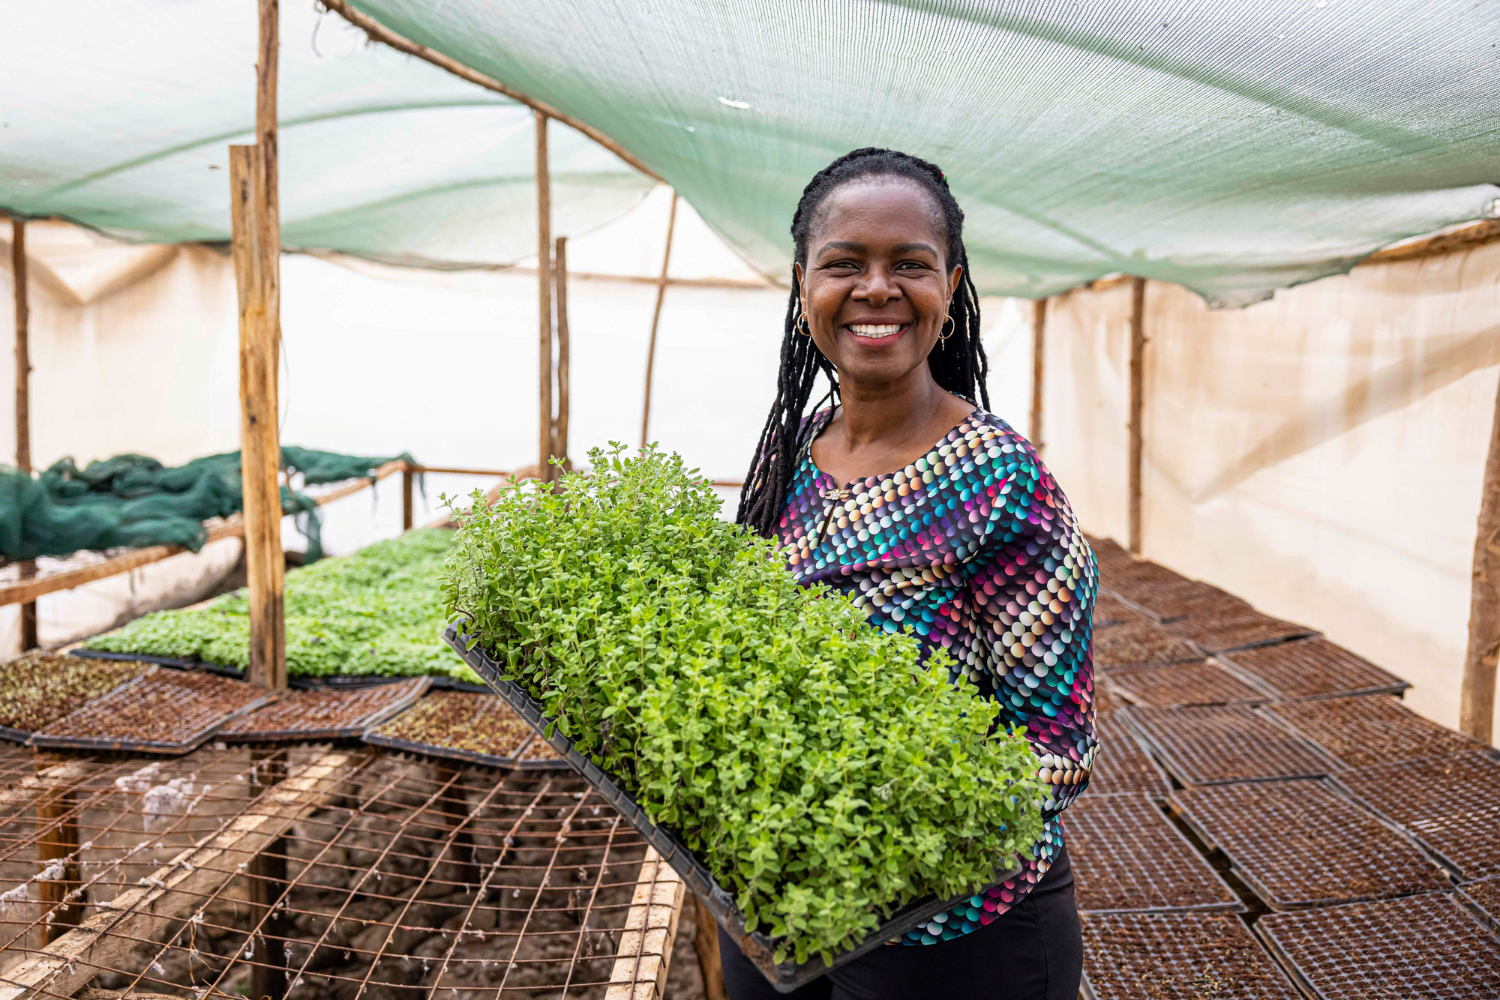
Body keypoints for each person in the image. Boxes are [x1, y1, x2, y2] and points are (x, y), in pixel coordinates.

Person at [728, 148, 1097, 1000]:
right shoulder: (792, 448)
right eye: (844, 264)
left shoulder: (1000, 480)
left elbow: (1054, 747)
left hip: (953, 933)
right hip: (778, 900)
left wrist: (876, 840)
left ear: (951, 287)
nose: (876, 289)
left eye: (910, 265)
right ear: (802, 284)